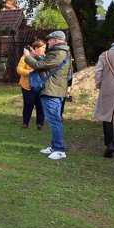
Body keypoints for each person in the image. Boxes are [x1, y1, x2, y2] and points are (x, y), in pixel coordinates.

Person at [23, 31, 72, 160]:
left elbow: (40, 66)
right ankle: (54, 146)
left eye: (49, 40)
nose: (48, 43)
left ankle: (59, 149)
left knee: (54, 121)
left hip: (52, 91)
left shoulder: (58, 53)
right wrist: (35, 55)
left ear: (55, 40)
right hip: (54, 90)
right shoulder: (61, 52)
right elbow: (47, 66)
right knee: (53, 120)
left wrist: (27, 57)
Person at [16, 39, 46, 130]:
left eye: (45, 48)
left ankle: (40, 124)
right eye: (43, 48)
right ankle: (25, 123)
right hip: (27, 85)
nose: (44, 49)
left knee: (40, 104)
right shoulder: (25, 57)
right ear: (36, 48)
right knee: (28, 104)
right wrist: (28, 72)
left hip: (41, 85)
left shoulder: (45, 58)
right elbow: (19, 69)